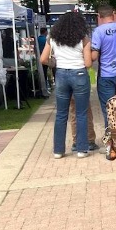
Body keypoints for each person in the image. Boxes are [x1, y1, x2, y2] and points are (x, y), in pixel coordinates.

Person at [40, 11, 92, 159]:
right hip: (80, 74)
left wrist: (54, 62)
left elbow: (43, 59)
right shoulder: (84, 39)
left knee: (61, 114)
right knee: (81, 113)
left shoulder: (53, 39)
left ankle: (58, 150)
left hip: (61, 74)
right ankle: (82, 149)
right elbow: (88, 63)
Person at [90, 4, 116, 127]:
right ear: (113, 15)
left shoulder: (98, 31)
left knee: (109, 109)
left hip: (106, 75)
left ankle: (111, 140)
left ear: (99, 16)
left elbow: (94, 56)